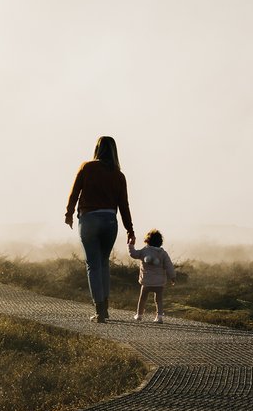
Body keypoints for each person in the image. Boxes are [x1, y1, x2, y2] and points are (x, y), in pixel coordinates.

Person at [65, 136, 134, 323]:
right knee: (103, 264)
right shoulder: (118, 175)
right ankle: (105, 307)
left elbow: (75, 192)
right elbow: (124, 205)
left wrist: (69, 213)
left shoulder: (87, 167)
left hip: (89, 219)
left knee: (93, 265)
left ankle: (99, 311)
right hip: (110, 221)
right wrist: (130, 230)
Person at [129, 229, 175, 324]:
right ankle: (159, 316)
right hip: (159, 283)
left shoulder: (144, 251)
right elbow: (169, 265)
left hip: (146, 281)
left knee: (142, 298)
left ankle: (139, 315)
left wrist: (130, 245)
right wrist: (173, 276)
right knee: (159, 300)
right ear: (160, 242)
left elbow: (133, 254)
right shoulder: (163, 253)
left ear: (147, 241)